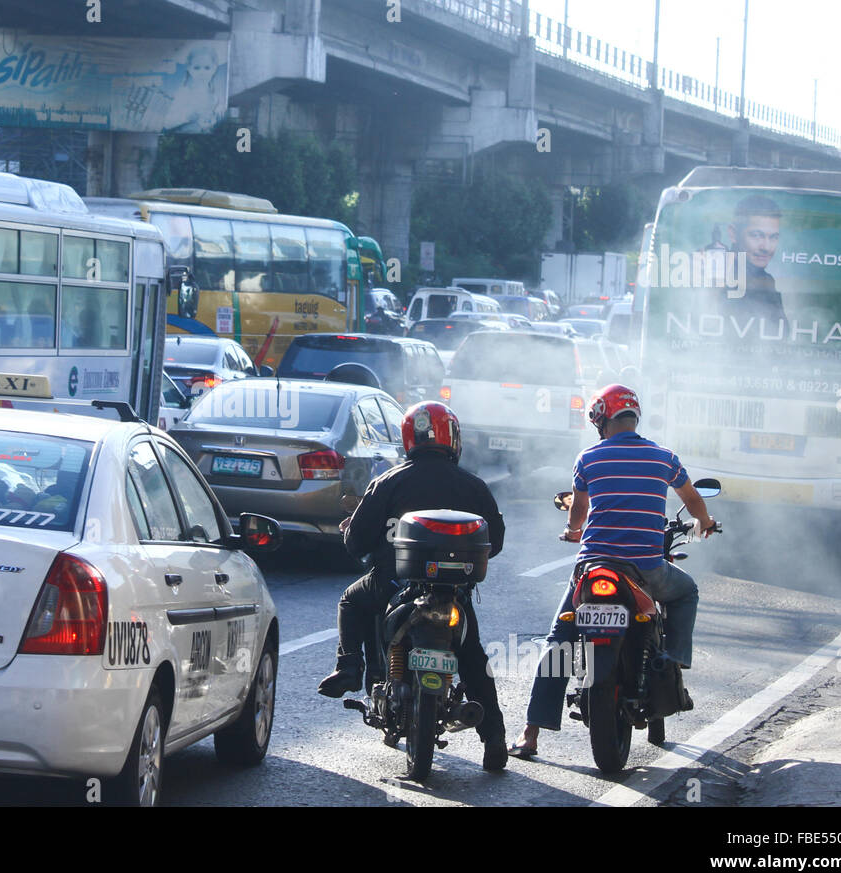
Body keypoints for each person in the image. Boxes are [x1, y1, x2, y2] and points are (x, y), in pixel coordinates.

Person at [508, 384, 716, 760]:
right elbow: (693, 500)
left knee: (558, 641)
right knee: (686, 593)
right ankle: (673, 658)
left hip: (592, 567)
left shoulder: (587, 459)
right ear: (635, 418)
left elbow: (578, 513)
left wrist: (573, 533)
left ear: (602, 419)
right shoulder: (664, 457)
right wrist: (705, 522)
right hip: (646, 569)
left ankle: (530, 732)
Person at [317, 401, 509, 771]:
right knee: (472, 659)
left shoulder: (388, 481)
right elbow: (495, 542)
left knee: (351, 602)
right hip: (453, 595)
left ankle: (350, 667)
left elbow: (356, 542)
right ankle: (495, 742)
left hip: (391, 586)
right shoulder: (473, 486)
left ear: (409, 440)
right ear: (453, 439)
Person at [724, 195, 786, 322]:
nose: (766, 247)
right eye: (757, 235)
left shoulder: (766, 280)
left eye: (773, 237)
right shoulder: (713, 275)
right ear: (733, 234)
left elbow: (781, 333)